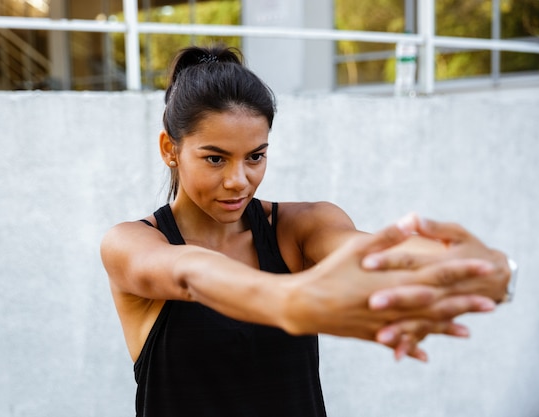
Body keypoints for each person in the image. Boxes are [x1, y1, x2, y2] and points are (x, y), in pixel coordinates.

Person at [100, 45, 512, 417]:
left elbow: (370, 256)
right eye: (215, 159)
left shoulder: (300, 226)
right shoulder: (131, 243)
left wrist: (481, 267)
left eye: (255, 156)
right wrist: (290, 301)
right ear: (170, 149)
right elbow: (190, 273)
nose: (239, 180)